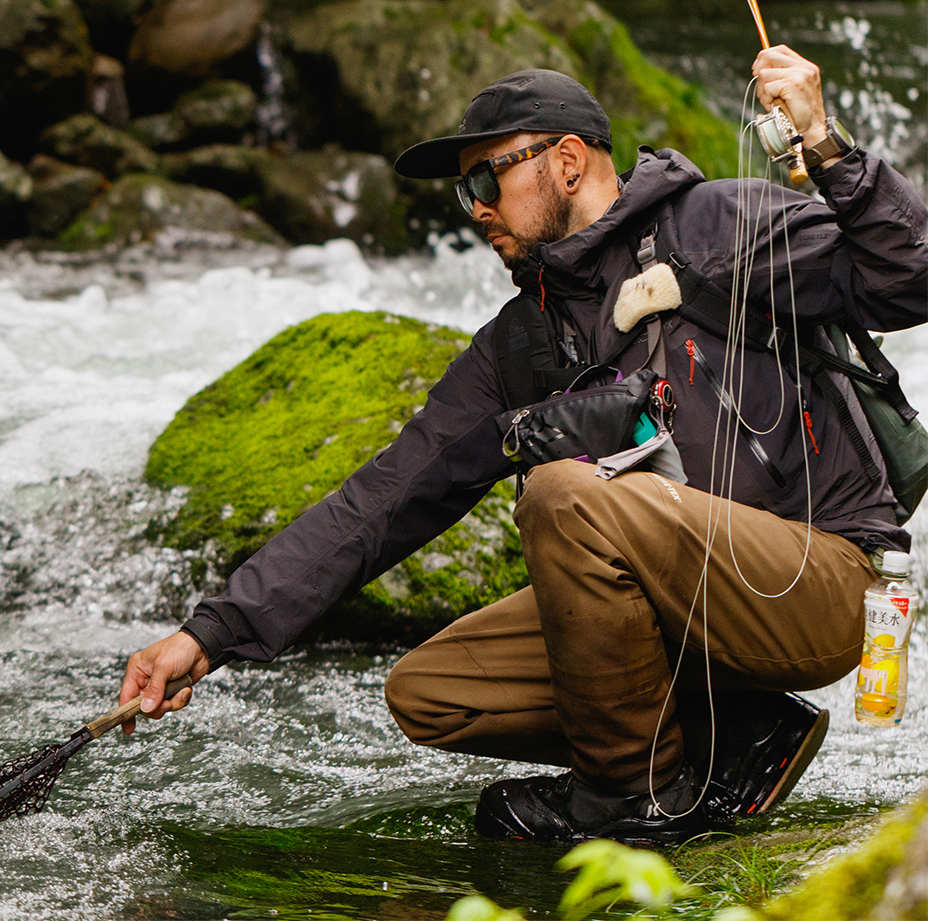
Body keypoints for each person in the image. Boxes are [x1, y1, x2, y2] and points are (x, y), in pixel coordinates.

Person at [118, 45, 928, 843]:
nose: (473, 208)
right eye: (462, 190)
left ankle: (631, 796)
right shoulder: (523, 341)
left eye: (485, 180)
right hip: (685, 613)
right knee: (431, 691)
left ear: (567, 161)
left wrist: (824, 145)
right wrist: (211, 633)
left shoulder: (719, 221)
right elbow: (386, 498)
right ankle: (730, 738)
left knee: (563, 493)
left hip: (819, 577)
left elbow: (911, 279)